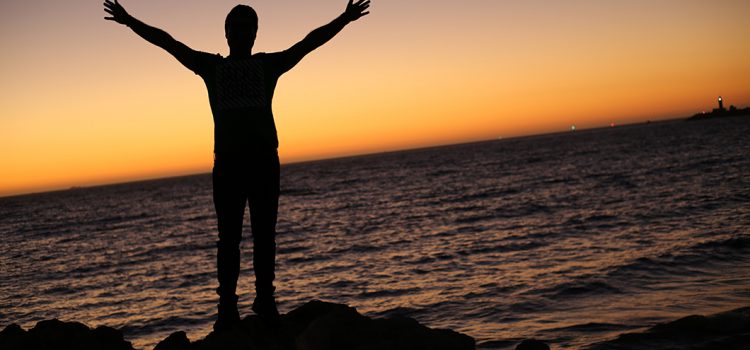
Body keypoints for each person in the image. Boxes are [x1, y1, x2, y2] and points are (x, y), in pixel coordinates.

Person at [103, 0, 370, 330]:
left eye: (248, 27)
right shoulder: (211, 68)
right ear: (227, 33)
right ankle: (227, 306)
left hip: (263, 163)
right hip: (228, 165)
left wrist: (343, 19)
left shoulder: (267, 65)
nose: (243, 32)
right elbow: (168, 43)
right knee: (228, 239)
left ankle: (264, 299)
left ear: (255, 33)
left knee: (264, 236)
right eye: (237, 27)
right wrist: (130, 21)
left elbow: (308, 43)